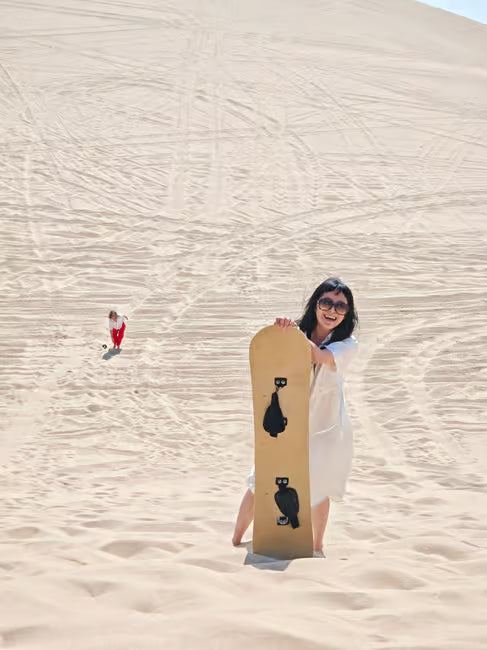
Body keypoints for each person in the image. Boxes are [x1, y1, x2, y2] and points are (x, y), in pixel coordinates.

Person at [232, 278, 358, 553]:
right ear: (315, 304)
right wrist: (282, 332)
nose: (332, 310)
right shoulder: (297, 333)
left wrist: (291, 334)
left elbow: (318, 357)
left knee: (319, 486)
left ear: (347, 313)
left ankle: (316, 546)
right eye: (326, 302)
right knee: (261, 478)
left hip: (324, 427)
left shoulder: (347, 344)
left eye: (340, 306)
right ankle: (236, 541)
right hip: (288, 422)